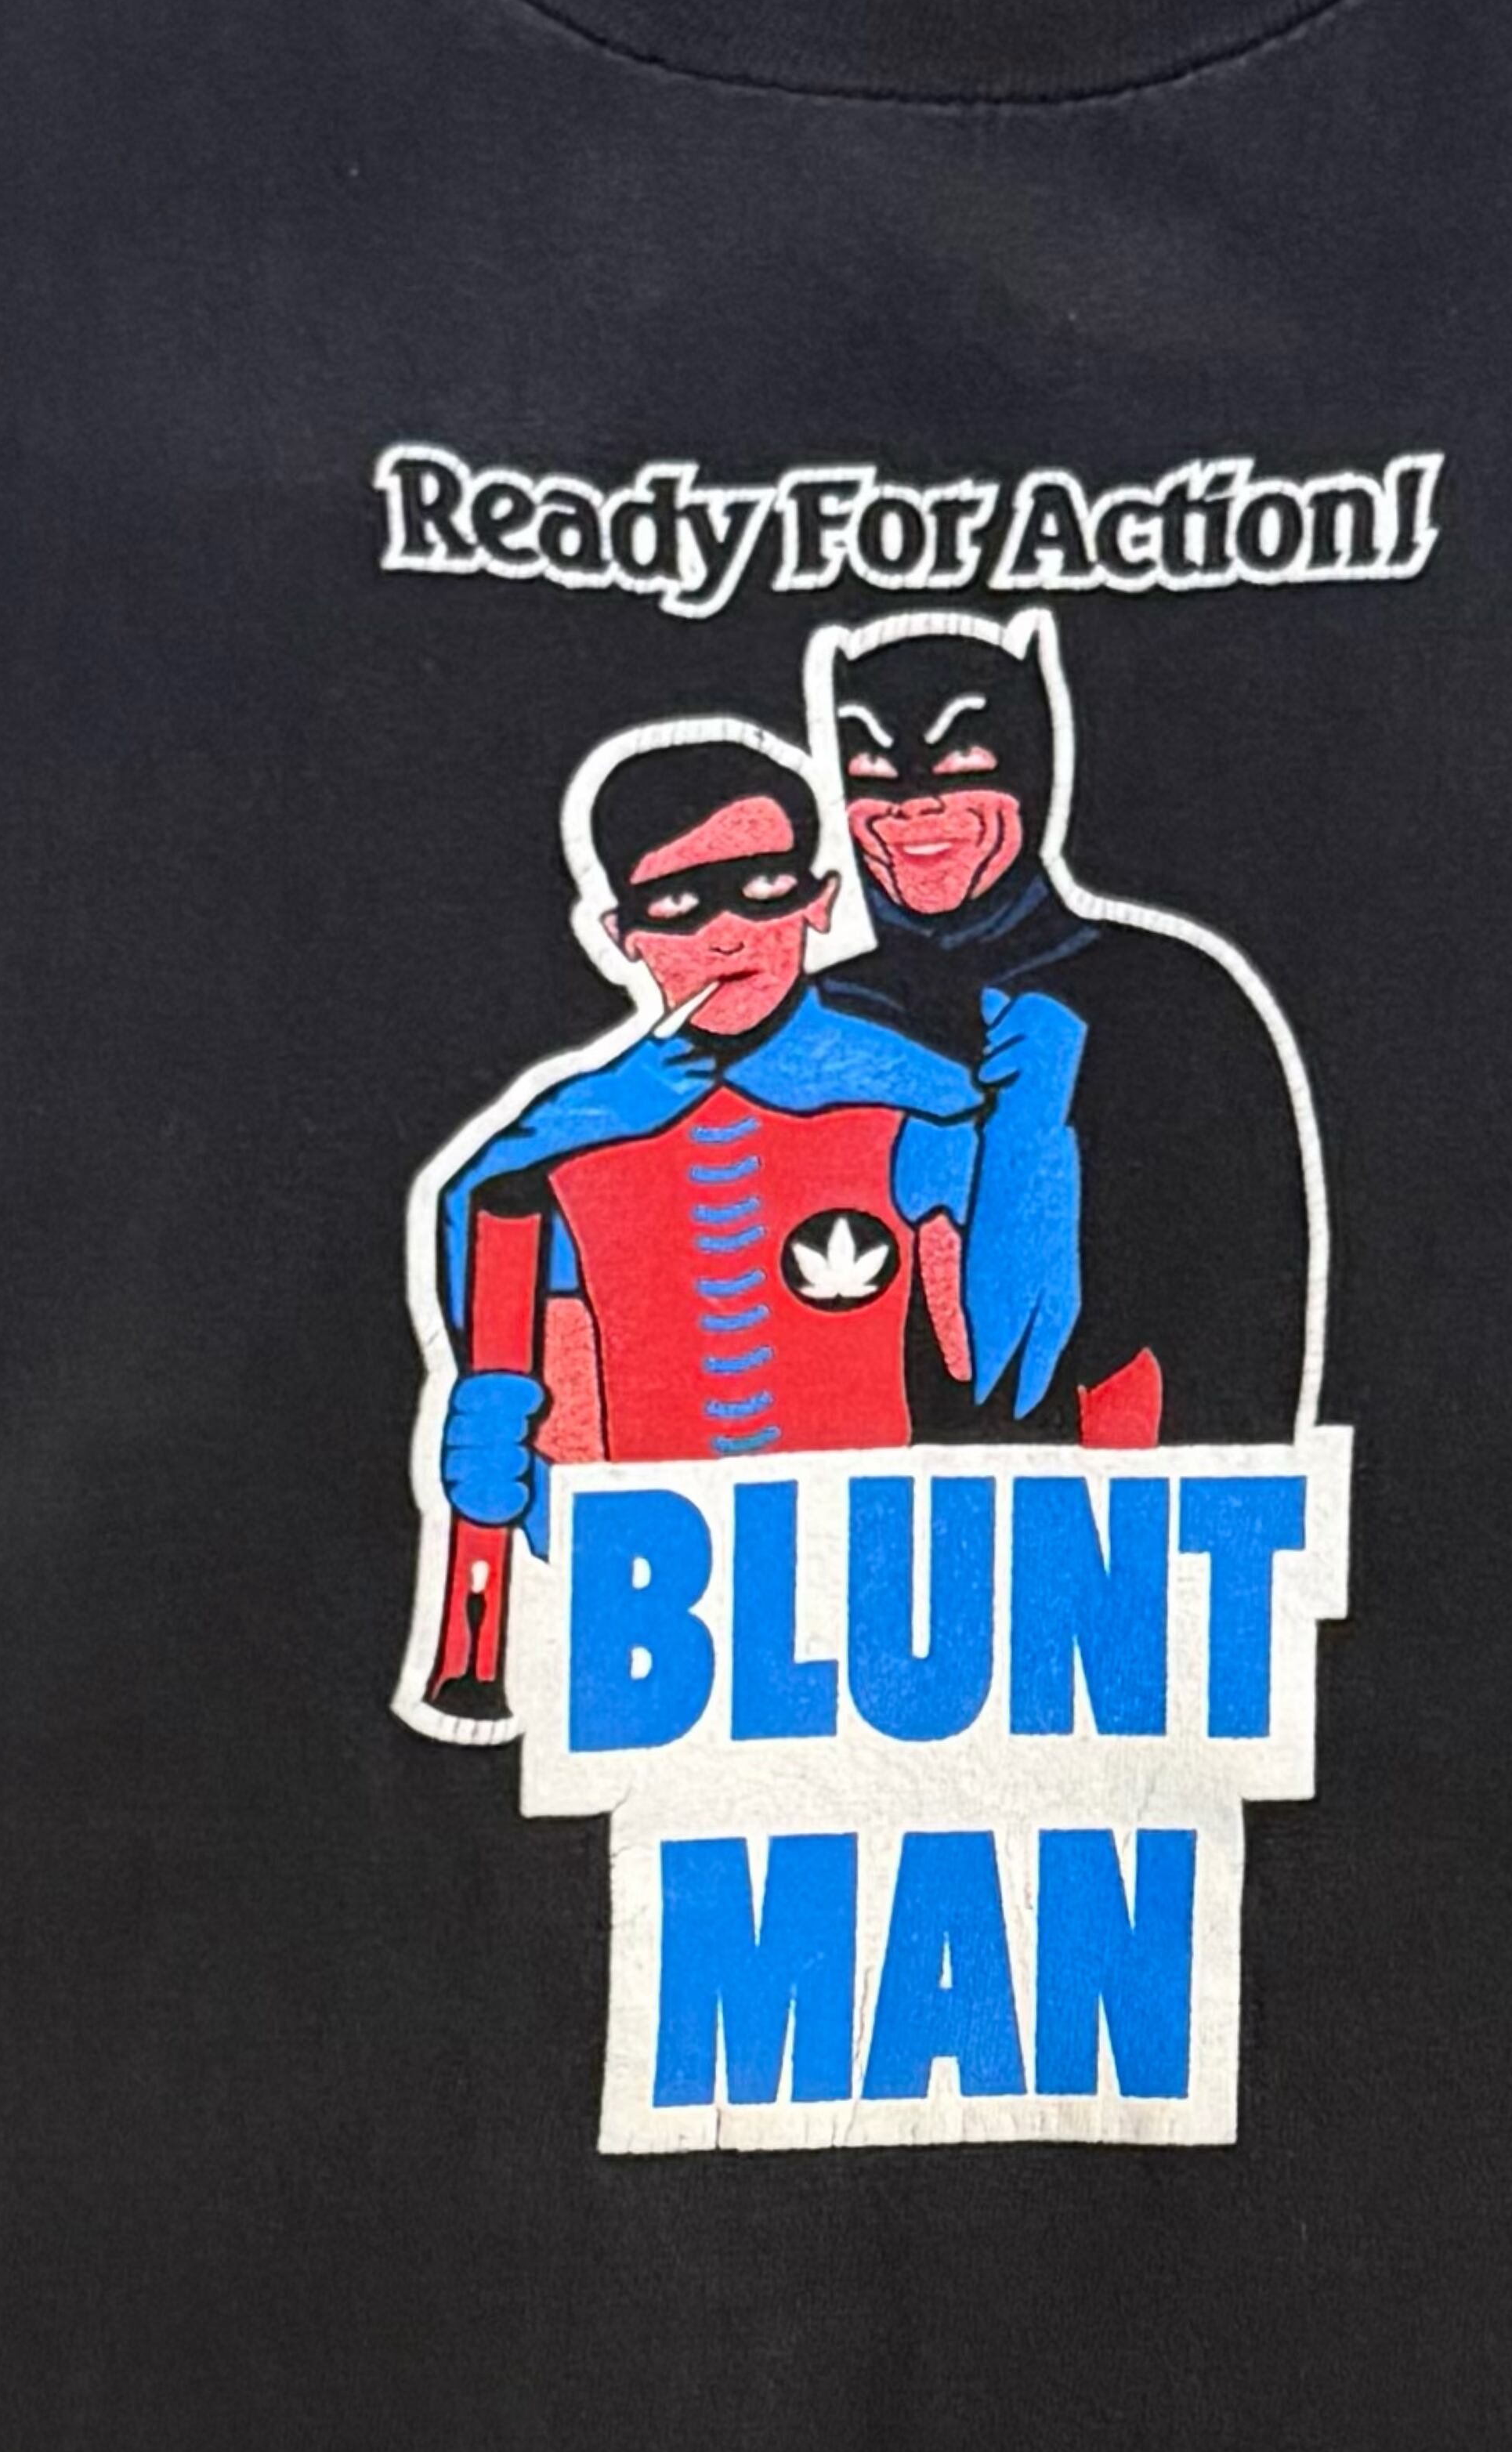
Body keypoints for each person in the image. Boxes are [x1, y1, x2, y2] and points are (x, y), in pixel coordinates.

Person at [413, 726, 1082, 1723]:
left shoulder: (918, 1105)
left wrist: (1029, 1140)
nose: (727, 934)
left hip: (888, 1604)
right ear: (624, 935)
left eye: (762, 888)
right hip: (655, 1629)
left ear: (818, 902)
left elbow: (993, 1369)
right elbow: (559, 1411)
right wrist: (512, 1472)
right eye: (679, 905)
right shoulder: (545, 1159)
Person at [807, 613, 1311, 1447]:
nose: (914, 805)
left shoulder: (1175, 998)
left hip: (1131, 1494)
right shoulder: (817, 1018)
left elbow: (1248, 1309)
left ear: (1035, 770)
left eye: (964, 766)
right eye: (872, 776)